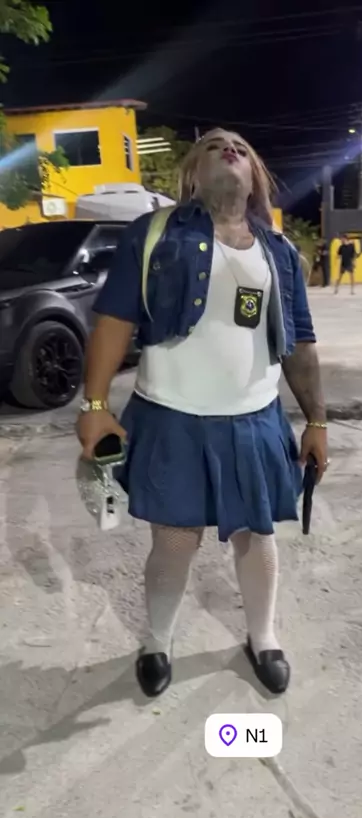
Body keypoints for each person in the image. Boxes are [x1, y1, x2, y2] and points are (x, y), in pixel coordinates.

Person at [76, 128, 328, 699]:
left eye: (240, 147)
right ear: (192, 173)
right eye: (214, 145)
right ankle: (157, 642)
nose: (229, 149)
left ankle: (263, 638)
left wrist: (317, 420)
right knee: (173, 543)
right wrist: (95, 406)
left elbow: (301, 343)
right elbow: (114, 320)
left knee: (257, 538)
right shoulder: (153, 233)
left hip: (255, 420)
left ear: (256, 176)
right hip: (173, 418)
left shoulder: (280, 252)